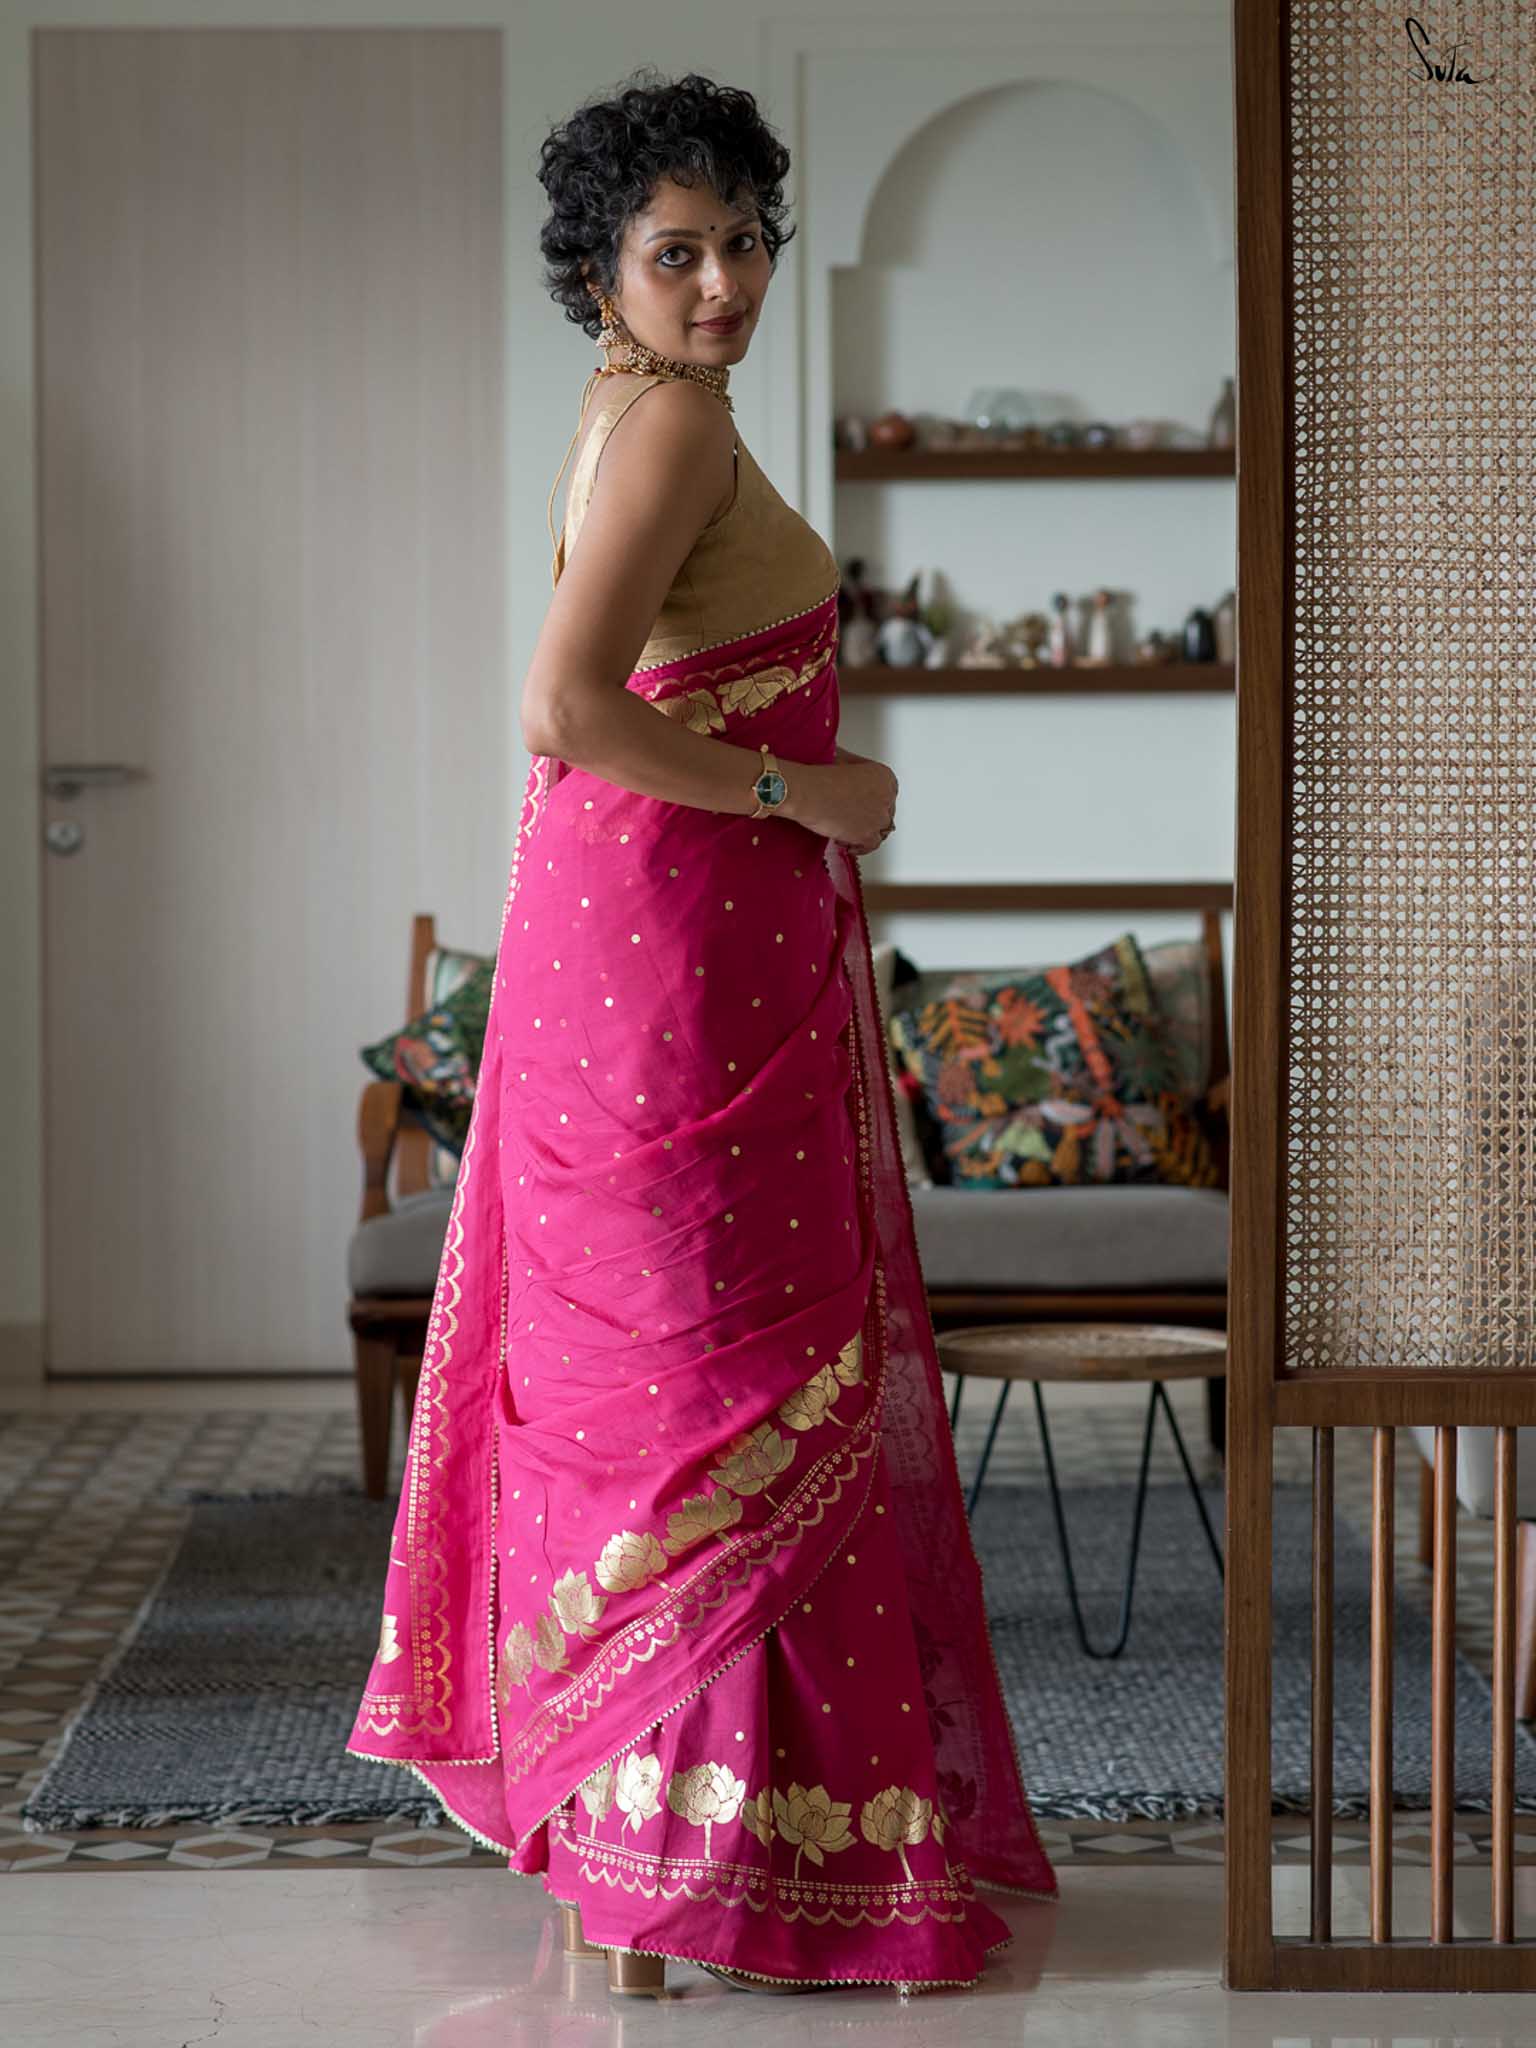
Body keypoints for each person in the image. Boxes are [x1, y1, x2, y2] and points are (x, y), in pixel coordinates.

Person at [346, 65, 1057, 1996]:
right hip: (673, 960)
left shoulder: (643, 409)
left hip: (663, 944)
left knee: (682, 1375)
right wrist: (803, 794)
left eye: (745, 241)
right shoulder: (663, 425)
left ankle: (669, 1856)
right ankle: (702, 1863)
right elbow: (565, 705)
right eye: (679, 252)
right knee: (718, 1372)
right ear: (602, 271)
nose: (726, 280)